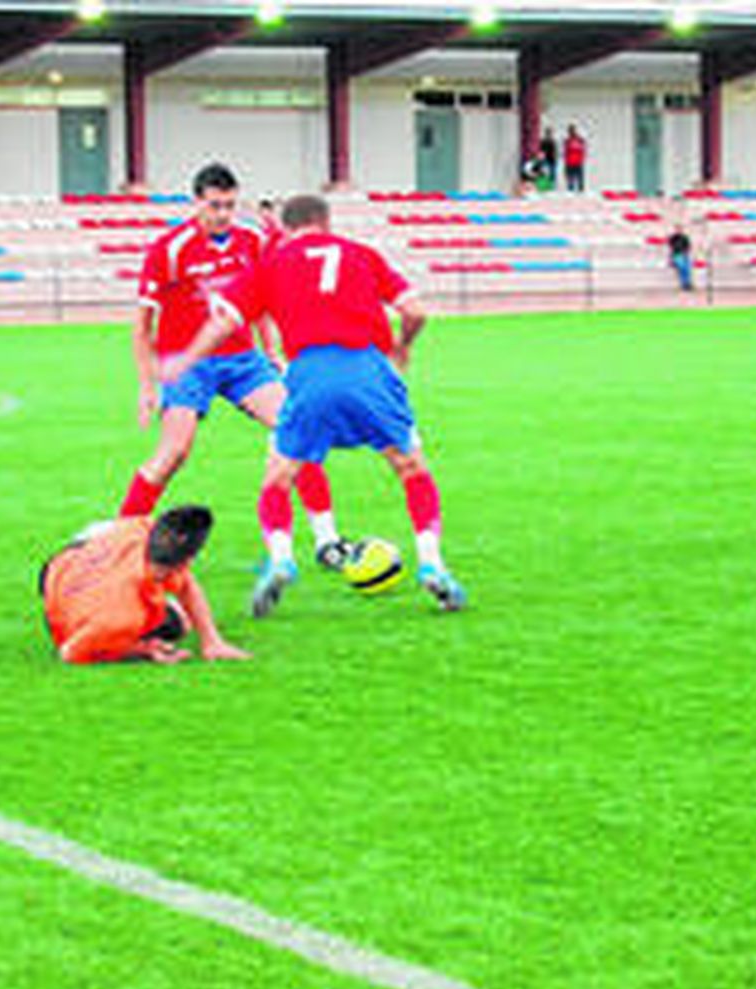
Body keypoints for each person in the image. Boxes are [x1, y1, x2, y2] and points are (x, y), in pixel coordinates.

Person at [167, 194, 467, 616]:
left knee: (279, 476)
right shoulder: (361, 253)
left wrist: (187, 357)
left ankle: (281, 559)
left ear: (287, 228)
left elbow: (224, 322)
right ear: (326, 223)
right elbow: (415, 311)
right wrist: (403, 347)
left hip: (308, 373)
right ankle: (433, 565)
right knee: (411, 468)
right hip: (368, 369)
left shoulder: (271, 263)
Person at [117, 163, 350, 570]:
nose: (223, 214)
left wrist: (271, 350)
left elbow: (261, 299)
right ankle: (118, 543)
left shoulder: (252, 240)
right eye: (214, 206)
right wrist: (147, 385)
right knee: (174, 452)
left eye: (229, 205)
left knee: (296, 427)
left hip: (241, 359)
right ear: (196, 202)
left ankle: (328, 541)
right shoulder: (169, 250)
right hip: (188, 363)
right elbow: (142, 326)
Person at [40, 504, 248, 665]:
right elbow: (69, 653)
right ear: (188, 561)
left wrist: (211, 640)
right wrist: (141, 650)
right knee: (180, 625)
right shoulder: (122, 619)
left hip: (64, 564)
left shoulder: (143, 527)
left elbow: (186, 583)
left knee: (177, 619)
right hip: (63, 603)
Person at [667, 224, 694, 292]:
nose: (678, 230)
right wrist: (671, 258)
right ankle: (684, 284)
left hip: (684, 255)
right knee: (682, 269)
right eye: (677, 229)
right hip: (677, 255)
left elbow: (688, 246)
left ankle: (687, 283)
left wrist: (686, 254)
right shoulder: (672, 238)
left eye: (680, 229)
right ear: (675, 230)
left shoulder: (685, 237)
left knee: (687, 270)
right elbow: (671, 248)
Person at [563, 125, 587, 193]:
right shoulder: (567, 140)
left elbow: (582, 150)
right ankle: (571, 190)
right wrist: (566, 161)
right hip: (570, 162)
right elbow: (566, 152)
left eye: (572, 130)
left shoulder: (580, 140)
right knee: (570, 178)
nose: (571, 132)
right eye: (570, 131)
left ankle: (580, 189)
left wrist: (582, 159)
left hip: (577, 162)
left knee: (579, 178)